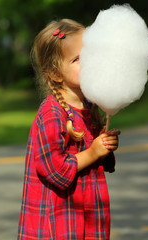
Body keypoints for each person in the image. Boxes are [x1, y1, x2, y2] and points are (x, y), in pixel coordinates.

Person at [17, 19, 120, 240]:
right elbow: (55, 169)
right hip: (60, 220)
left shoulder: (90, 106)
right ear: (55, 74)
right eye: (77, 59)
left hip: (88, 212)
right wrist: (93, 152)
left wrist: (104, 146)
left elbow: (96, 158)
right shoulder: (51, 114)